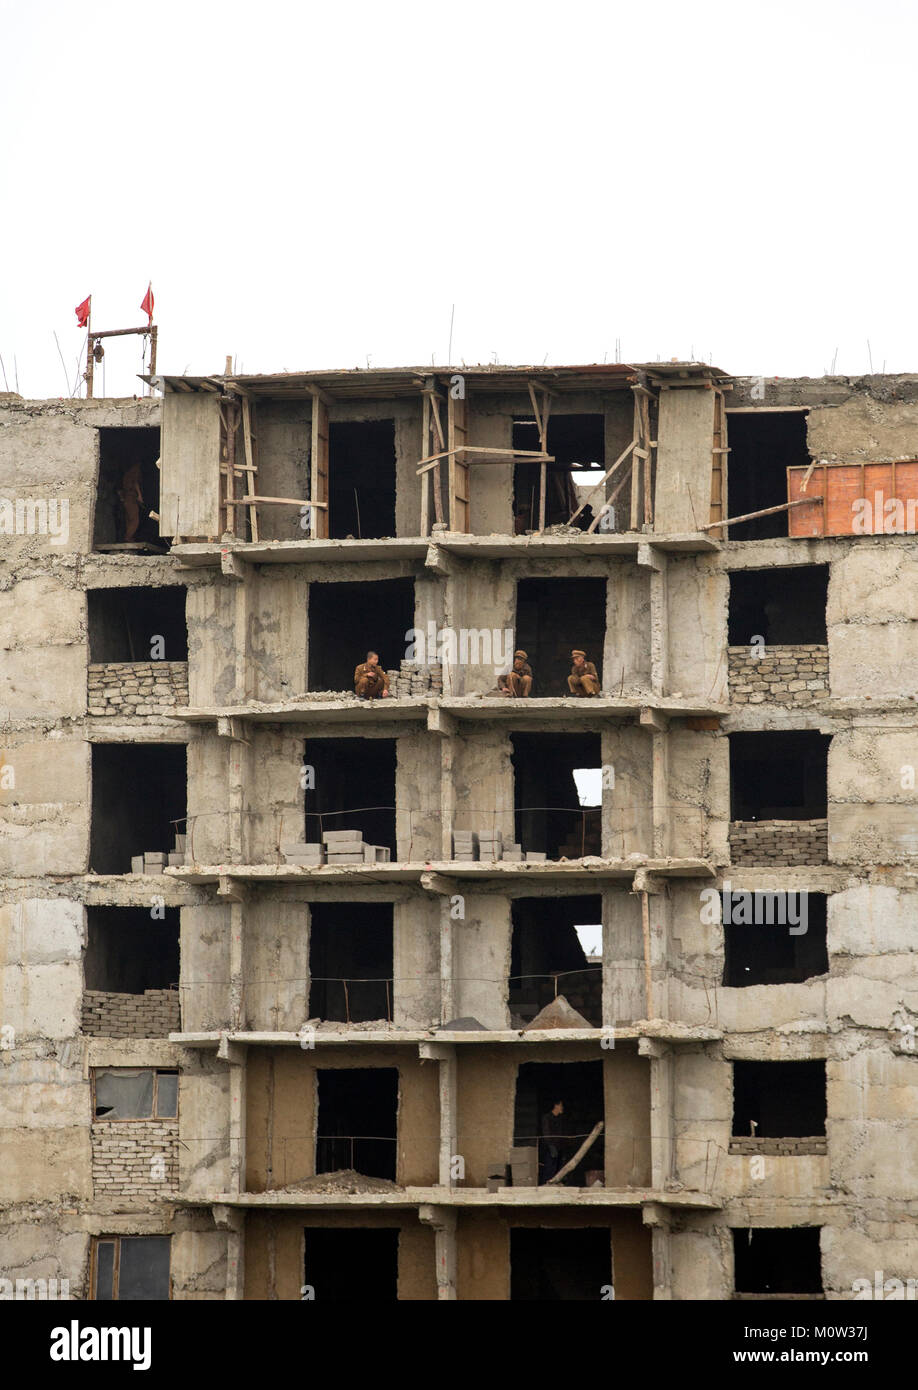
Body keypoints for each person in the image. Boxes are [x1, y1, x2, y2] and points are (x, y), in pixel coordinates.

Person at [540, 1099, 567, 1183]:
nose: (562, 1108)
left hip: (559, 1147)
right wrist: (551, 1146)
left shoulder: (560, 1119)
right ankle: (547, 1185)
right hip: (550, 1147)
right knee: (549, 1168)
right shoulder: (547, 1117)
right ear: (556, 1105)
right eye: (561, 1105)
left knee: (558, 1168)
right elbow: (546, 1132)